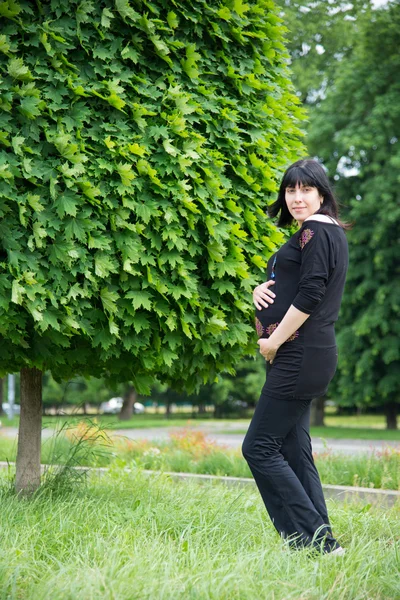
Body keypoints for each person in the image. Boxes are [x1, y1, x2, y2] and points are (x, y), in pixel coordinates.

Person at [242, 158, 350, 556]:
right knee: (293, 450)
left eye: (306, 189)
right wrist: (260, 293)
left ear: (322, 194)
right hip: (306, 354)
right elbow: (292, 285)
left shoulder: (316, 233)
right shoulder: (319, 234)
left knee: (257, 448)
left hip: (299, 354)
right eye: (291, 190)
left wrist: (272, 342)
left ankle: (316, 541)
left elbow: (310, 296)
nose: (297, 197)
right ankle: (316, 543)